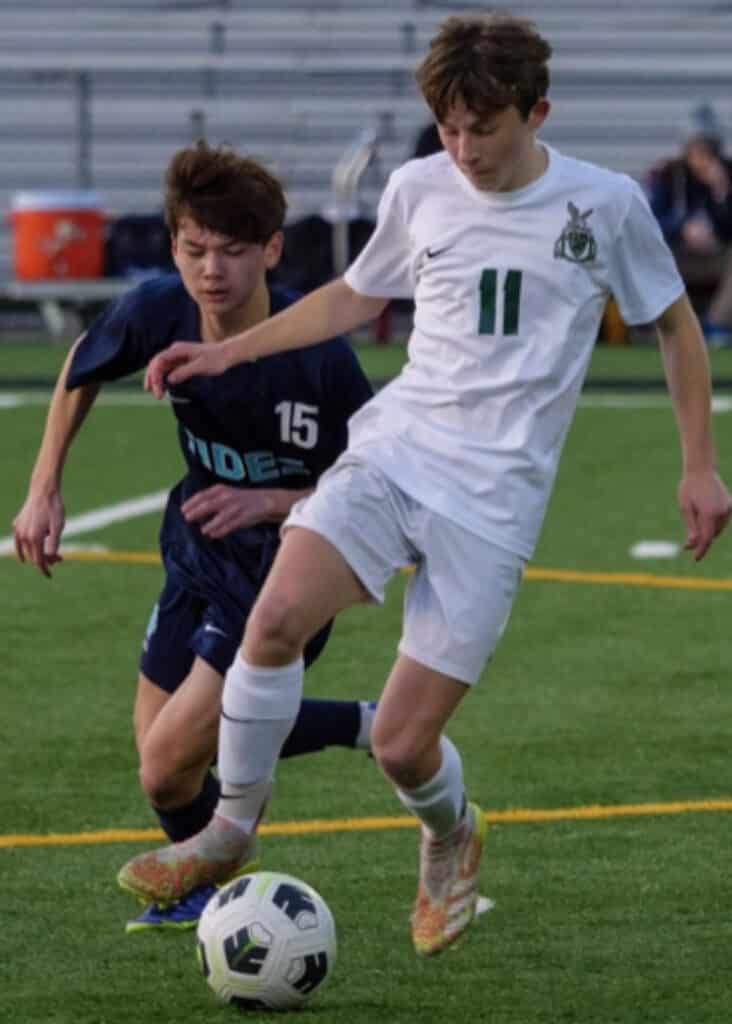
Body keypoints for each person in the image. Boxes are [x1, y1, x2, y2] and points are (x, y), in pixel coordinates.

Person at [118, 14, 732, 956]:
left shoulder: (604, 205)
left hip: (495, 502)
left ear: (538, 111)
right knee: (275, 616)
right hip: (395, 450)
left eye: (484, 128)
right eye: (448, 128)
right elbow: (359, 294)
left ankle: (451, 833)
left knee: (405, 745)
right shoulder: (418, 187)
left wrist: (699, 465)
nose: (464, 149)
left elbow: (676, 326)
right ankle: (230, 828)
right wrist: (228, 350)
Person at [11, 142, 376, 932]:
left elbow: (382, 486)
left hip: (282, 578)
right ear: (173, 243)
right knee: (170, 779)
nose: (212, 271)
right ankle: (365, 725)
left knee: (165, 759)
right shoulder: (157, 310)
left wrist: (274, 499)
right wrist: (44, 489)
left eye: (235, 252)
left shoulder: (317, 357)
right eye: (194, 249)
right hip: (195, 552)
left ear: (272, 250)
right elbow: (82, 361)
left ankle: (225, 896)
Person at [646, 102, 732, 345]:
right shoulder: (667, 176)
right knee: (652, 258)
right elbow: (653, 223)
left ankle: (716, 325)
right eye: (696, 149)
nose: (702, 157)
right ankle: (667, 327)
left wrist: (722, 192)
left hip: (718, 256)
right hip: (680, 256)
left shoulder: (728, 174)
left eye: (708, 149)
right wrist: (682, 229)